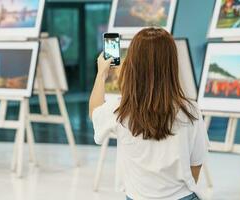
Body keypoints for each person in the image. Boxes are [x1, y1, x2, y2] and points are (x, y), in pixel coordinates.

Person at [89, 27, 208, 200]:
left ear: (132, 64)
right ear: (172, 65)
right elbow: (196, 166)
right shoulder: (191, 110)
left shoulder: (120, 110)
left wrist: (101, 73)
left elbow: (94, 112)